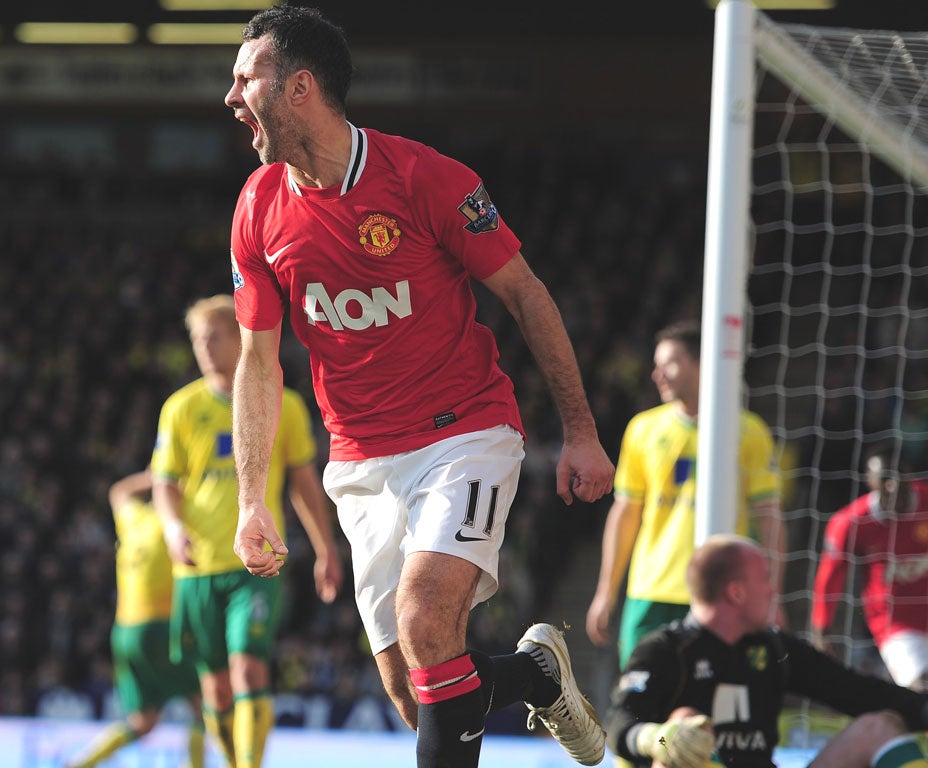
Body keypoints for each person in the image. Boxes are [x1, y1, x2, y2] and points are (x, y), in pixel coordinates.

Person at [222, 5, 615, 768]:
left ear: (299, 86)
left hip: (463, 432)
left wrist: (581, 430)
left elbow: (527, 294)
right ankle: (537, 672)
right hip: (359, 459)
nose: (231, 96)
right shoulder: (257, 206)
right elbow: (257, 364)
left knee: (428, 622)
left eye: (245, 78)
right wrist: (249, 498)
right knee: (415, 692)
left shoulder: (424, 178)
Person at [152, 294, 342, 768]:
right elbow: (164, 482)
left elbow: (303, 481)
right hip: (196, 567)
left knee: (248, 667)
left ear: (239, 337)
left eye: (213, 336)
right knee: (213, 684)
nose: (203, 346)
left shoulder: (285, 405)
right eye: (197, 338)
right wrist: (173, 528)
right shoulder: (180, 408)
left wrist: (326, 549)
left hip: (254, 562)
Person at [607, 533, 928, 768]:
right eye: (765, 578)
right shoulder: (665, 650)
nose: (773, 590)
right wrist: (660, 739)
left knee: (879, 726)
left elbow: (856, 692)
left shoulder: (772, 646)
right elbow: (620, 724)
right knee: (681, 730)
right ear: (736, 592)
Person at [586, 320, 785, 669]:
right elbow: (626, 513)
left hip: (724, 593)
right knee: (640, 696)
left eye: (669, 364)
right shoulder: (643, 429)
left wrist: (772, 593)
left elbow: (769, 516)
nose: (656, 375)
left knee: (713, 705)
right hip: (652, 589)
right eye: (656, 365)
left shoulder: (749, 431)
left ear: (701, 364)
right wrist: (606, 591)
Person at [65, 469, 206, 768]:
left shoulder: (134, 520)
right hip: (162, 627)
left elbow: (119, 492)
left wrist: (157, 475)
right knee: (204, 706)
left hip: (126, 632)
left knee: (143, 721)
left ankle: (81, 763)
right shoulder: (183, 525)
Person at [811, 447, 928, 692]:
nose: (894, 485)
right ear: (870, 482)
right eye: (885, 478)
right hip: (895, 622)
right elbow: (830, 578)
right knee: (921, 688)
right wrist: (822, 631)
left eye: (899, 475)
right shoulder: (851, 523)